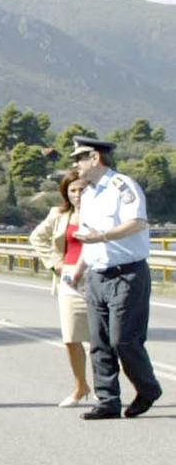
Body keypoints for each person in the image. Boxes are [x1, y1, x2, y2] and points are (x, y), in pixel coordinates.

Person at [70, 136, 163, 420]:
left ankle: (147, 389)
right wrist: (80, 269)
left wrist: (103, 236)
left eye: (79, 158)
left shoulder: (122, 186)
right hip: (97, 275)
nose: (76, 164)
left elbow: (137, 222)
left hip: (127, 274)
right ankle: (107, 401)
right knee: (99, 343)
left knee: (123, 340)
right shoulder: (88, 194)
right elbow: (87, 236)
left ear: (95, 158)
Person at [29, 170, 92, 407]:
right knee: (71, 336)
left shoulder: (102, 212)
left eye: (82, 189)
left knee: (102, 339)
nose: (77, 194)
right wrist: (55, 263)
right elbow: (36, 237)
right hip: (68, 279)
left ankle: (105, 388)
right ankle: (80, 386)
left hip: (97, 277)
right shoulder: (58, 214)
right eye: (72, 190)